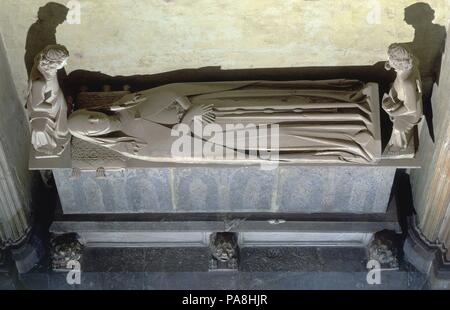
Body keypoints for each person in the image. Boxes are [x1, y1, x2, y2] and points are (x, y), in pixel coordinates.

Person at [68, 79, 379, 164]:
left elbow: (175, 91)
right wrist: (187, 119)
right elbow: (177, 150)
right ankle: (351, 134)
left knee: (282, 103)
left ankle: (351, 104)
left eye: (91, 117)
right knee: (285, 131)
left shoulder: (130, 101)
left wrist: (189, 107)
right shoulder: (131, 146)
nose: (96, 122)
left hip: (218, 105)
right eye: (91, 127)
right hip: (222, 135)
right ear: (92, 137)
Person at [27, 45, 70, 156]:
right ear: (53, 63)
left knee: (63, 127)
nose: (65, 64)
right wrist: (52, 106)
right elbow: (36, 105)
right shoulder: (39, 82)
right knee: (58, 131)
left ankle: (58, 137)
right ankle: (49, 146)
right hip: (48, 108)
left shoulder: (43, 61)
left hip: (55, 97)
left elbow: (42, 54)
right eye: (63, 62)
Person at [382, 43, 423, 155]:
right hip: (403, 97)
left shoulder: (407, 83)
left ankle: (399, 146)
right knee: (389, 101)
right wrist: (390, 65)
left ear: (398, 64)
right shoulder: (411, 61)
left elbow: (411, 109)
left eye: (390, 59)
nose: (388, 60)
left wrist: (395, 113)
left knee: (398, 129)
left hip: (410, 112)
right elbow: (416, 61)